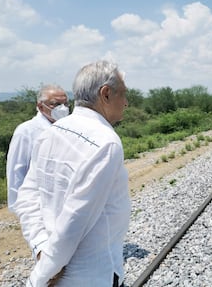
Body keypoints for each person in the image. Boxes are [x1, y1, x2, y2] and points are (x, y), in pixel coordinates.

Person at [14, 60, 131, 287]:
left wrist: (41, 250)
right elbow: (75, 219)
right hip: (92, 275)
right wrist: (39, 277)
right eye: (123, 95)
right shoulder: (106, 143)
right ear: (105, 94)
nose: (126, 103)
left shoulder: (51, 132)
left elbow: (27, 196)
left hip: (53, 265)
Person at [7, 84, 69, 213]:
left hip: (64, 202)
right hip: (37, 203)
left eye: (66, 104)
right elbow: (16, 171)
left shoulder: (68, 128)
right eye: (56, 104)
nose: (63, 108)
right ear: (41, 106)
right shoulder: (27, 131)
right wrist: (19, 207)